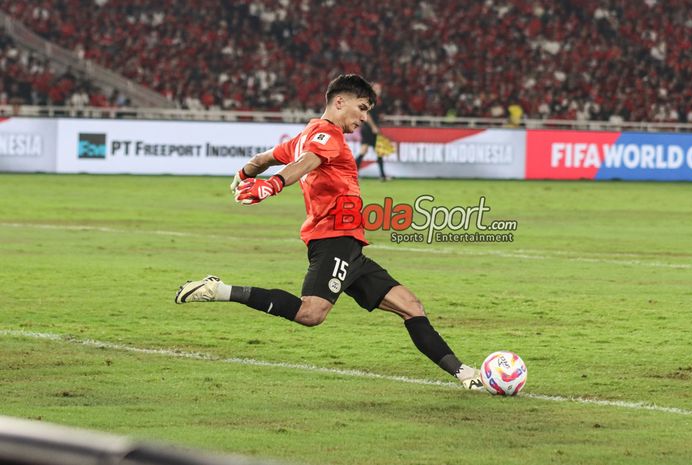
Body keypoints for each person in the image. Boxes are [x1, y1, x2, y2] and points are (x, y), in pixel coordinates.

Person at [175, 74, 483, 391]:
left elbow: (262, 159)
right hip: (332, 239)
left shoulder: (303, 137)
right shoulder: (327, 135)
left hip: (351, 247)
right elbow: (307, 162)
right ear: (339, 102)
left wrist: (243, 174)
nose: (364, 118)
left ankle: (466, 375)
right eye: (362, 108)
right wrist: (274, 184)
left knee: (410, 306)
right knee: (311, 313)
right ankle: (219, 290)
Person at [354, 82, 390, 181]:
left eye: (380, 88)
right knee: (372, 151)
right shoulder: (369, 100)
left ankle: (382, 176)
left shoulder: (378, 101)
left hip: (371, 128)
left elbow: (375, 114)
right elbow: (367, 115)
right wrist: (374, 126)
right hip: (368, 129)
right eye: (377, 88)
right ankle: (382, 176)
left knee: (371, 151)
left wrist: (380, 117)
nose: (379, 90)